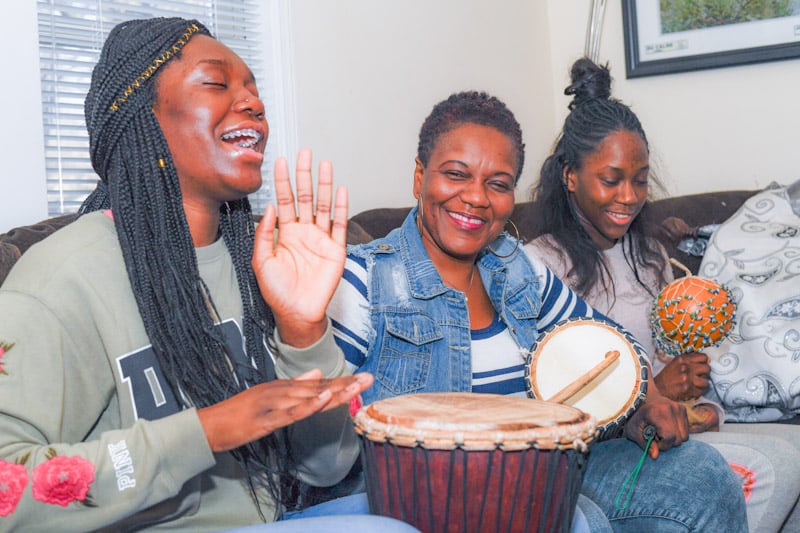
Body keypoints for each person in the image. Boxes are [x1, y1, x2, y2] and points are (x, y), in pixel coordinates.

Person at [0, 17, 419, 532]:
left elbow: (325, 465)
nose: (253, 105)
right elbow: (7, 490)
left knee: (427, 508)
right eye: (217, 83)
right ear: (141, 117)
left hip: (271, 519)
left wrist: (303, 328)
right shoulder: (59, 280)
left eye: (254, 90)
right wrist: (203, 432)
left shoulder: (257, 264)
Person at [329, 90, 748, 532]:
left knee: (706, 478)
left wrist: (645, 401)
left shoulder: (516, 265)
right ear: (420, 178)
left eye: (498, 183)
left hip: (545, 472)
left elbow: (606, 341)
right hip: (435, 498)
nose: (476, 198)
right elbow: (322, 459)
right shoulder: (363, 279)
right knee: (577, 521)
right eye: (456, 174)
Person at [524, 56, 800, 533]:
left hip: (668, 427)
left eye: (640, 179)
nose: (629, 196)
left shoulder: (648, 254)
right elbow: (554, 393)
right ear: (570, 177)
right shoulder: (541, 265)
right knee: (773, 467)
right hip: (605, 445)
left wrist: (689, 388)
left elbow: (665, 362)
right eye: (611, 180)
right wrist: (651, 392)